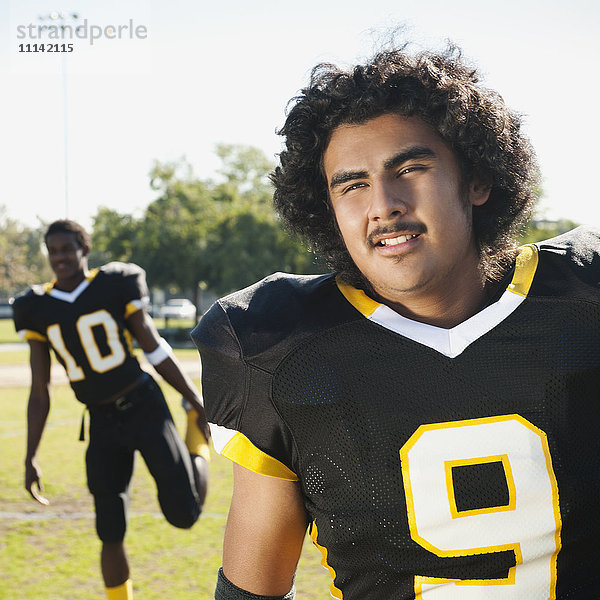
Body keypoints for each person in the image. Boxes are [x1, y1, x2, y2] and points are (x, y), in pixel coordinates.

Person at [192, 43, 600, 600]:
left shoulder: (585, 299)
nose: (383, 204)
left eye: (410, 168)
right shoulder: (278, 352)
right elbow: (253, 590)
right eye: (352, 184)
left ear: (478, 180)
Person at [12, 219, 210, 600]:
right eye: (53, 251)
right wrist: (30, 455)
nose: (60, 257)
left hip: (143, 406)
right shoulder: (34, 306)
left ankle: (195, 443)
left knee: (184, 515)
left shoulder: (116, 283)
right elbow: (40, 391)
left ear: (84, 249)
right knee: (109, 528)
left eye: (67, 248)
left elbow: (151, 346)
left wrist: (193, 398)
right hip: (101, 421)